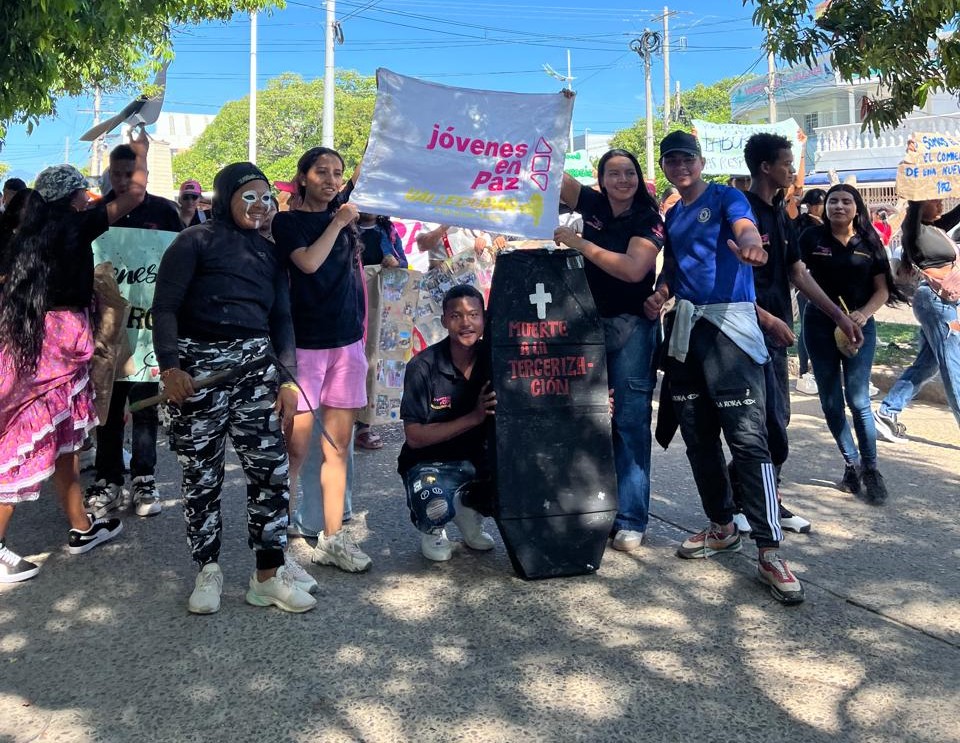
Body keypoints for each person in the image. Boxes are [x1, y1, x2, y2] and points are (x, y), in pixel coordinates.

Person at [644, 130, 804, 605]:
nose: (680, 167)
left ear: (701, 160)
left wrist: (753, 246)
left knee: (748, 439)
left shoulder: (727, 196)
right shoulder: (672, 215)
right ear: (666, 167)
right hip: (687, 334)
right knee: (697, 438)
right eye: (671, 161)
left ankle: (770, 550)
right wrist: (661, 293)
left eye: (687, 159)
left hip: (731, 333)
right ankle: (721, 525)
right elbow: (673, 271)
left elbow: (744, 228)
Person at [152, 161, 316, 614]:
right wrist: (171, 369)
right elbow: (164, 307)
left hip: (256, 374)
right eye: (250, 195)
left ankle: (267, 575)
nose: (261, 205)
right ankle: (207, 570)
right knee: (201, 477)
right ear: (226, 197)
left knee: (271, 472)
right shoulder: (193, 242)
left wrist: (288, 380)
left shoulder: (270, 253)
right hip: (197, 376)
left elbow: (281, 319)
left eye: (267, 197)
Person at [0, 137, 149, 583]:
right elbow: (135, 195)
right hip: (58, 354)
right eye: (83, 191)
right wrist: (139, 149)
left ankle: (82, 527)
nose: (90, 196)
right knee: (27, 448)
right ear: (73, 197)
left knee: (62, 443)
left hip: (26, 349)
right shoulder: (75, 225)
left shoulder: (23, 237)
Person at [734, 133, 862, 537]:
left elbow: (798, 273)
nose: (792, 169)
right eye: (787, 162)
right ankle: (747, 504)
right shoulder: (739, 213)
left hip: (776, 336)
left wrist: (839, 316)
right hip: (744, 333)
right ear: (766, 168)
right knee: (759, 424)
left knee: (778, 421)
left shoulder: (779, 215)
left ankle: (762, 497)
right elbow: (724, 284)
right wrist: (766, 318)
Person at [553, 148, 665, 553]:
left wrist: (578, 243)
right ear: (601, 180)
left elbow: (634, 269)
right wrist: (548, 125)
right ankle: (592, 508)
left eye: (629, 173)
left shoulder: (648, 219)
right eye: (614, 173)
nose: (623, 180)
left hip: (632, 328)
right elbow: (552, 175)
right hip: (589, 327)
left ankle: (632, 518)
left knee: (630, 423)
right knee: (587, 419)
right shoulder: (595, 204)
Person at [271, 146, 373, 573]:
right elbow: (308, 264)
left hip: (346, 346)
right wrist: (338, 221)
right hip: (304, 350)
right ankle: (274, 544)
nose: (331, 180)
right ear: (303, 177)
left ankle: (332, 537)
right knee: (294, 449)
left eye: (337, 173)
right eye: (322, 172)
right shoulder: (288, 222)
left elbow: (374, 166)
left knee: (337, 448)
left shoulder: (346, 218)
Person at [84, 143, 182, 520]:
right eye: (118, 173)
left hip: (147, 330)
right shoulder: (97, 212)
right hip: (107, 330)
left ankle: (144, 476)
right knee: (106, 408)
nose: (124, 180)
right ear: (109, 172)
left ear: (145, 171)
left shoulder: (164, 212)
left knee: (143, 408)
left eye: (132, 173)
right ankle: (108, 478)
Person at [797, 183, 907, 504]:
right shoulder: (810, 240)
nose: (839, 207)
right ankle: (851, 463)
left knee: (858, 400)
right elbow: (800, 281)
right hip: (819, 327)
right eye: (834, 201)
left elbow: (883, 290)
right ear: (825, 207)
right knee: (831, 403)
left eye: (846, 201)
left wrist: (863, 314)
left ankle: (871, 469)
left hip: (861, 329)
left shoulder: (869, 242)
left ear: (856, 207)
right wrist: (831, 312)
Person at [398, 285, 497, 561]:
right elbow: (414, 437)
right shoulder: (422, 367)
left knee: (519, 481)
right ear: (444, 321)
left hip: (478, 460)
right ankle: (433, 528)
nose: (466, 323)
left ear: (484, 319)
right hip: (430, 462)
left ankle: (469, 513)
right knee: (433, 500)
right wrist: (473, 417)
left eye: (474, 314)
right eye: (456, 316)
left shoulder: (495, 359)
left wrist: (594, 399)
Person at [874, 198, 960, 440]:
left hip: (944, 301)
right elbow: (915, 205)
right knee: (953, 365)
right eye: (936, 202)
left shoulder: (937, 227)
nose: (941, 206)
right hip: (936, 303)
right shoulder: (915, 230)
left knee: (928, 364)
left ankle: (887, 411)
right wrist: (918, 189)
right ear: (922, 205)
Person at [794, 188, 828, 395]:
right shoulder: (803, 224)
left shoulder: (828, 225)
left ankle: (817, 369)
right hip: (806, 284)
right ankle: (804, 371)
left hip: (825, 284)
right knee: (808, 327)